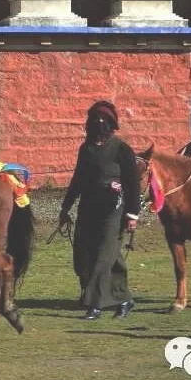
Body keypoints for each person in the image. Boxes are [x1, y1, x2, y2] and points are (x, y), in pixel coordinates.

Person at [59, 101, 140, 320]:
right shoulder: (85, 149)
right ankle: (124, 299)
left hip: (114, 209)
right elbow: (77, 179)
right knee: (98, 254)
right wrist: (66, 206)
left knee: (103, 256)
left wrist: (133, 214)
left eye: (104, 120)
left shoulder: (122, 149)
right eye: (95, 120)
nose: (99, 124)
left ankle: (94, 304)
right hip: (88, 207)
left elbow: (133, 184)